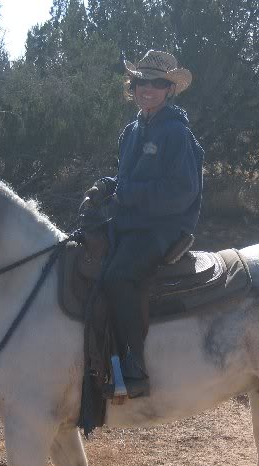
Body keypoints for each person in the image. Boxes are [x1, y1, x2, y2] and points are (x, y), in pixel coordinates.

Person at [84, 50, 204, 398]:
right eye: (141, 82)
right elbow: (127, 178)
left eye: (157, 83)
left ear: (169, 89)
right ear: (132, 86)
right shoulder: (132, 131)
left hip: (164, 228)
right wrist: (105, 187)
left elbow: (181, 192)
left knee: (119, 276)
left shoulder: (176, 134)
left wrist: (127, 194)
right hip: (131, 225)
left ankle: (134, 370)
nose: (147, 89)